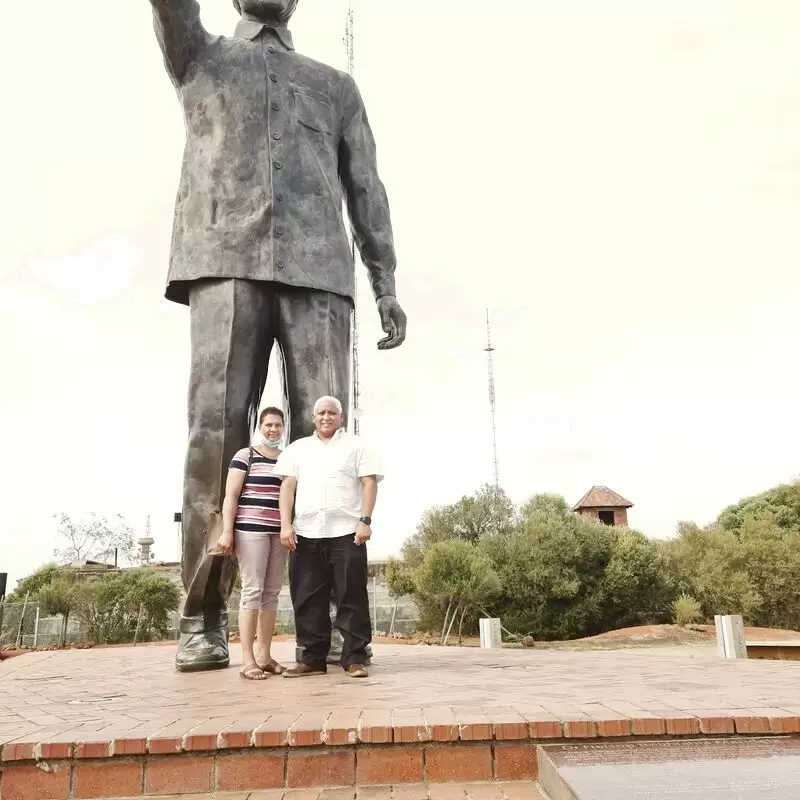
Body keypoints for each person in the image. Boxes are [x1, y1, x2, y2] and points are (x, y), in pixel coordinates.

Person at [146, 0, 407, 673]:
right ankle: (201, 615)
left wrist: (384, 281)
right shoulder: (200, 55)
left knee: (328, 455)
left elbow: (366, 186)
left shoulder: (334, 86)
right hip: (222, 256)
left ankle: (331, 629)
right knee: (215, 433)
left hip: (319, 270)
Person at [272, 396, 381, 678]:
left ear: (341, 417)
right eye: (321, 412)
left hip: (347, 534)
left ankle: (355, 658)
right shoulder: (297, 449)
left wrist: (365, 521)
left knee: (351, 597)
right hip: (306, 534)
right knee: (307, 597)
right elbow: (287, 487)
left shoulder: (357, 446)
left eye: (332, 412)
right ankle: (311, 659)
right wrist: (286, 524)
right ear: (313, 417)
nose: (326, 417)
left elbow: (369, 483)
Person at [217, 407, 288, 680]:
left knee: (271, 593)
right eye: (269, 425)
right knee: (252, 591)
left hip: (278, 533)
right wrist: (227, 531)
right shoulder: (245, 456)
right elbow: (231, 496)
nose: (273, 430)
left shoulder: (286, 459)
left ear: (283, 428)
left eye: (278, 426)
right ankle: (247, 660)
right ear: (261, 427)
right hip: (250, 531)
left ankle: (264, 655)